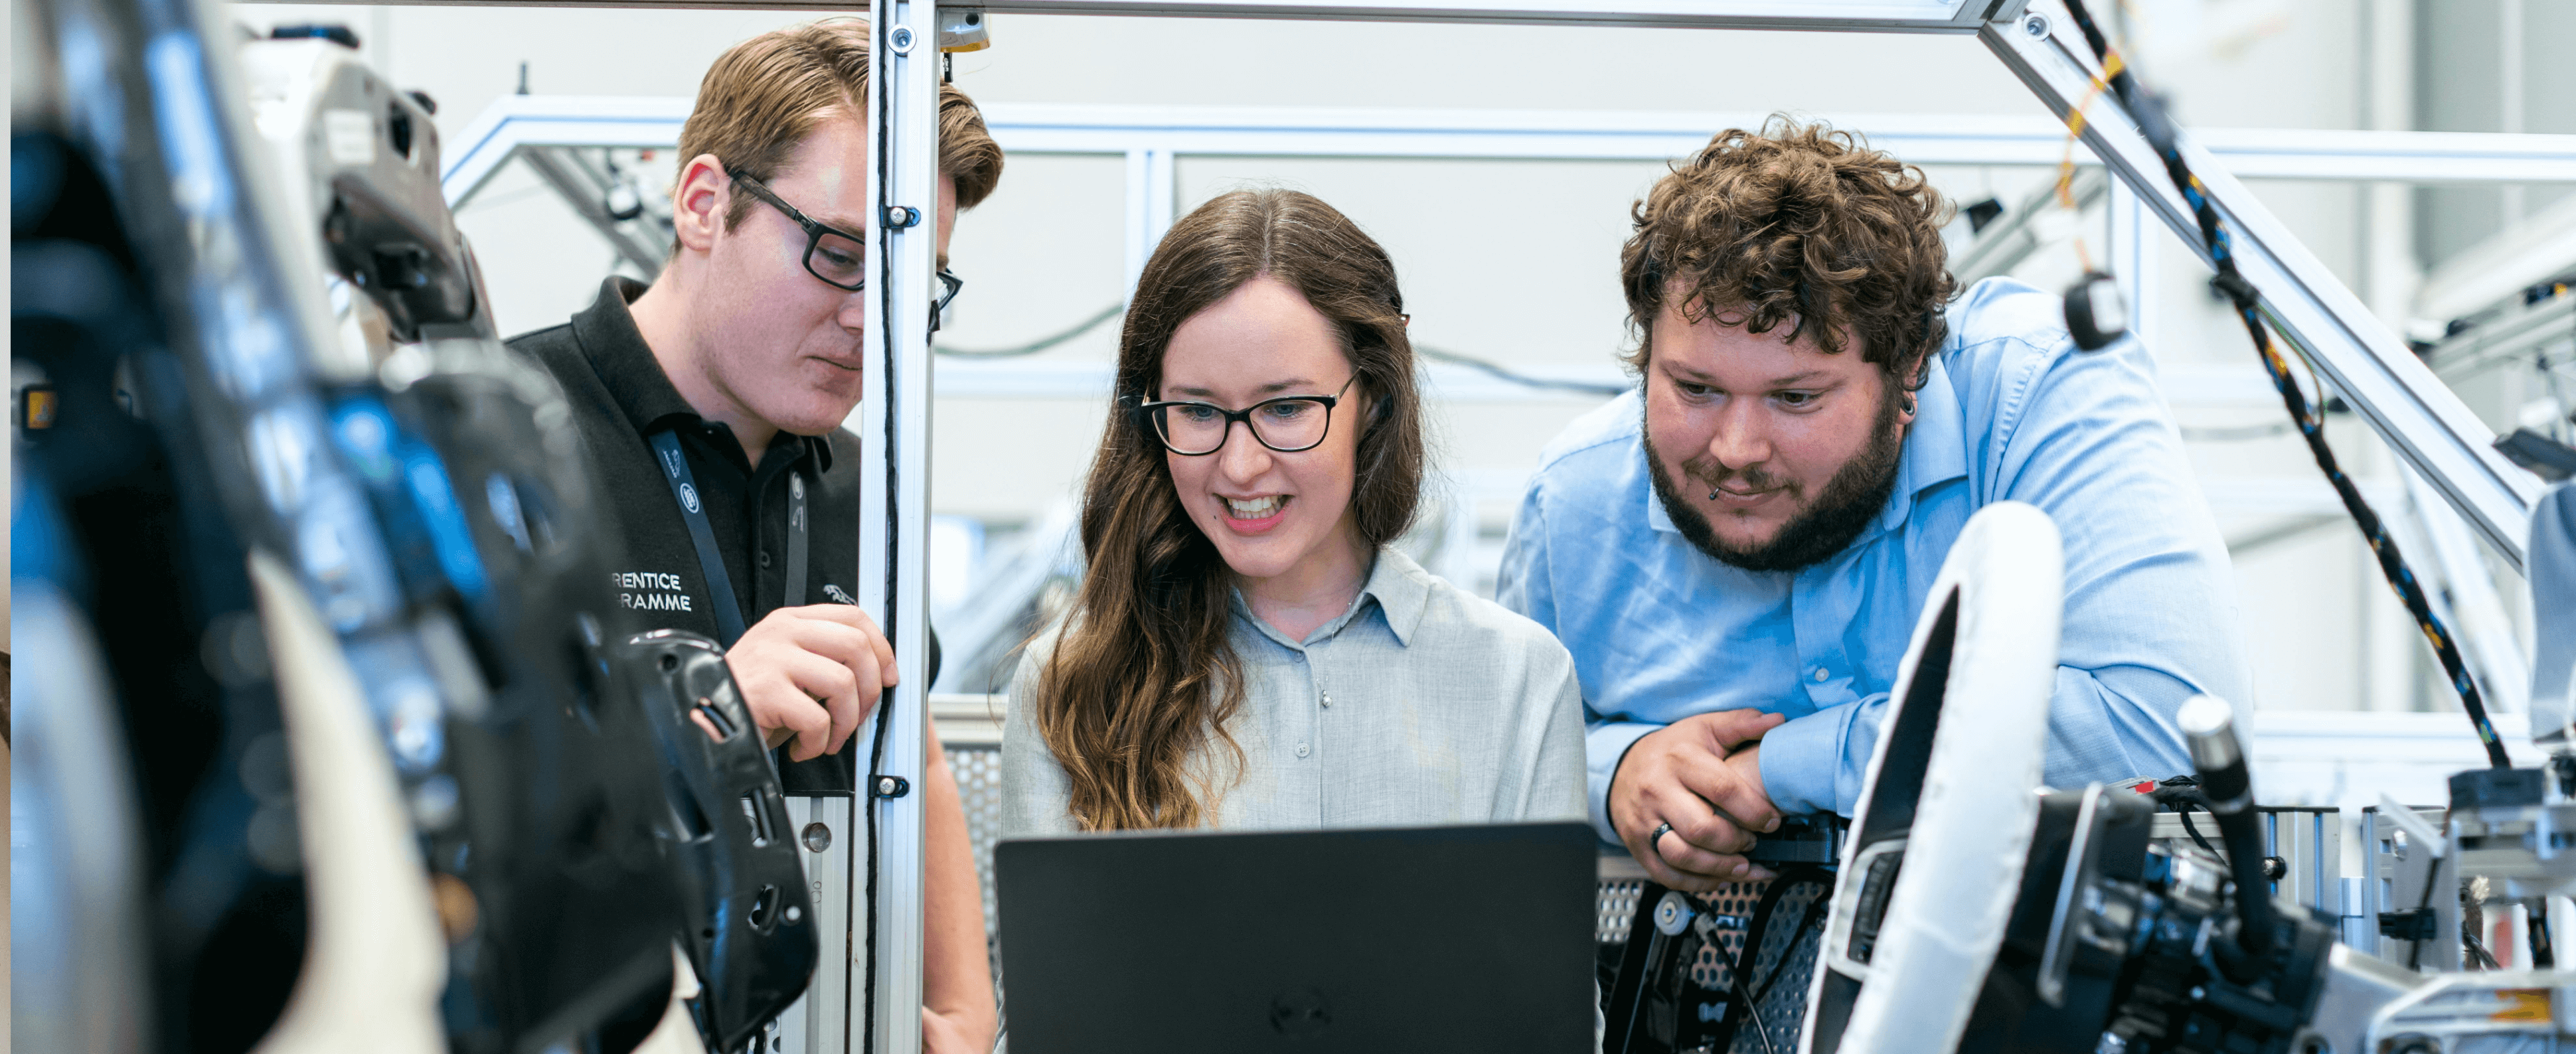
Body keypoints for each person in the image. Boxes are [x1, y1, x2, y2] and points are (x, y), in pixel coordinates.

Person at [1496, 118, 2251, 893]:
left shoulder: (2037, 392)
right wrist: (1616, 772)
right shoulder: (1574, 502)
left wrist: (1780, 768)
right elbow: (1499, 757)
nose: (1735, 448)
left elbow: (2165, 719)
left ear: (1909, 368)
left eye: (1795, 397)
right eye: (1695, 389)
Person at [504, 21, 1001, 1051]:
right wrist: (704, 719)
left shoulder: (868, 485)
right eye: (841, 253)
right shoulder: (502, 437)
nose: (873, 320)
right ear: (704, 204)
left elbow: (923, 751)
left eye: (914, 281)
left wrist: (961, 1005)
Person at [1001, 188, 1585, 836]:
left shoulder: (1519, 680)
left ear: (1375, 396)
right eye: (1197, 411)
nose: (1241, 465)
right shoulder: (1069, 687)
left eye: (1284, 409)